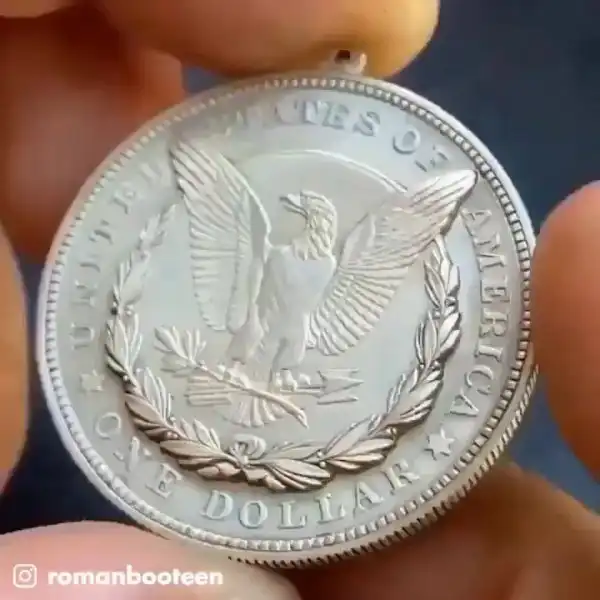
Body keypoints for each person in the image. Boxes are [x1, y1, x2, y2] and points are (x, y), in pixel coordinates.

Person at [0, 1, 597, 597]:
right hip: (246, 344)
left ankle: (272, 384)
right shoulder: (263, 246)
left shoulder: (344, 260)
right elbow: (220, 204)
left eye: (307, 209)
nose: (298, 210)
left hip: (293, 366)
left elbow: (404, 224)